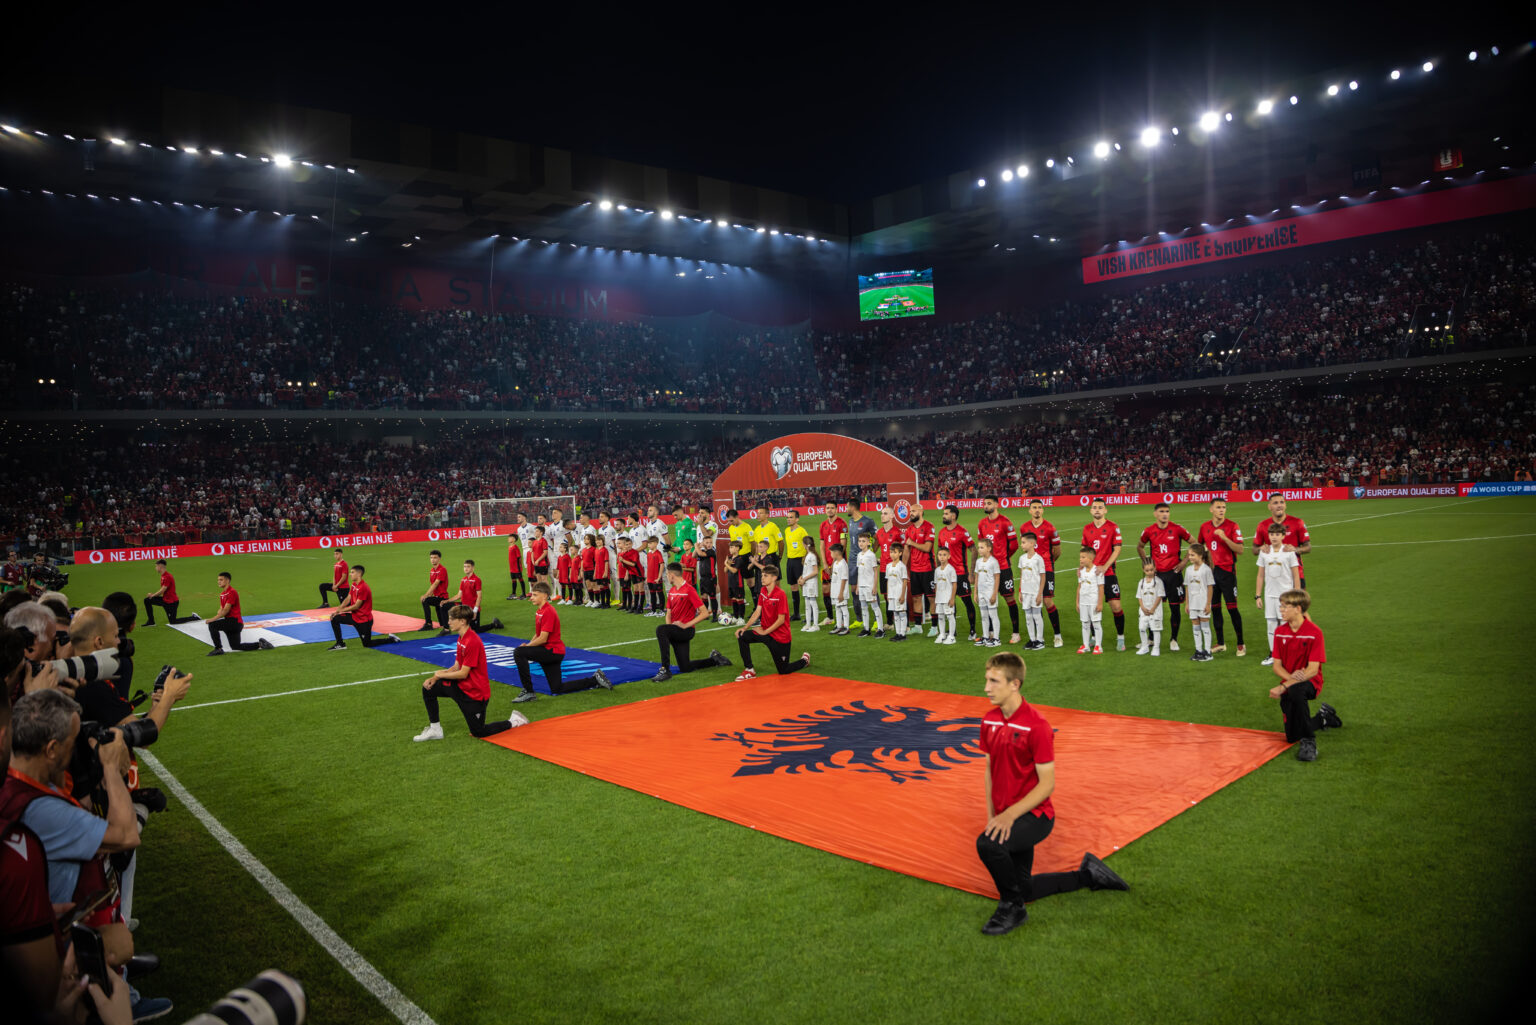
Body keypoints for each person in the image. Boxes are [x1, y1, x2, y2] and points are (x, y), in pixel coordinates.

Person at [974, 651, 1127, 936]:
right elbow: (989, 769)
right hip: (1008, 815)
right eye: (986, 680)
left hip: (1035, 816)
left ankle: (1012, 908)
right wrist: (992, 815)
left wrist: (1008, 816)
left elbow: (1047, 785)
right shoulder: (989, 721)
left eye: (994, 681)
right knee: (1025, 887)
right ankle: (1089, 875)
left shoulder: (1037, 726)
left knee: (988, 845)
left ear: (1014, 684)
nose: (986, 688)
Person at [412, 605, 527, 741]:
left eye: (451, 619)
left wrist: (440, 675)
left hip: (475, 694)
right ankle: (435, 729)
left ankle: (514, 721)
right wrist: (434, 678)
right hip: (461, 687)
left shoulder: (472, 641)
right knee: (428, 688)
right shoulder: (462, 638)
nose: (448, 622)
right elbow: (457, 666)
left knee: (479, 731)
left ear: (462, 621)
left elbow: (463, 673)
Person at [1268, 589, 1341, 762]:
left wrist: (1284, 686)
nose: (1281, 610)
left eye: (1285, 607)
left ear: (1298, 609)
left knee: (1296, 691)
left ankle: (1309, 742)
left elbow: (1313, 670)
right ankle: (1323, 718)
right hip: (1291, 681)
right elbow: (1276, 666)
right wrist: (1289, 679)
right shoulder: (1279, 632)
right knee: (1292, 736)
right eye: (1281, 606)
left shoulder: (1315, 632)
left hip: (1311, 682)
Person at [510, 583, 612, 702]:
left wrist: (527, 647)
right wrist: (528, 645)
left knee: (519, 652)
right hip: (551, 652)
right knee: (557, 688)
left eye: (535, 595)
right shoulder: (540, 611)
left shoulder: (548, 611)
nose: (531, 597)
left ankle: (528, 691)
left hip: (552, 652)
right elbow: (538, 634)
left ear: (544, 596)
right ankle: (595, 680)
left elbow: (543, 639)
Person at [652, 564, 732, 682]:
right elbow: (668, 613)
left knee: (660, 629)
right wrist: (670, 628)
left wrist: (685, 625)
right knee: (685, 667)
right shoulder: (672, 591)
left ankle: (665, 670)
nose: (666, 577)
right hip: (675, 630)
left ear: (671, 575)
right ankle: (715, 659)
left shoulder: (689, 590)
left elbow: (704, 613)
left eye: (667, 574)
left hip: (686, 631)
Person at [733, 564, 810, 680]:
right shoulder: (763, 590)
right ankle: (749, 670)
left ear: (774, 578)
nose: (762, 578)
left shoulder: (780, 595)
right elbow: (757, 612)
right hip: (766, 632)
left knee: (783, 670)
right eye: (762, 575)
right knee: (742, 636)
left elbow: (781, 620)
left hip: (780, 637)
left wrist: (764, 632)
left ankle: (804, 661)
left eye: (765, 576)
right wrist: (744, 628)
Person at [1136, 503, 1191, 651]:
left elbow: (1194, 543)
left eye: (1167, 511)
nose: (1165, 514)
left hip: (1174, 574)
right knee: (1151, 606)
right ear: (1155, 514)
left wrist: (1184, 562)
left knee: (1174, 608)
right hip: (1157, 575)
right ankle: (1151, 639)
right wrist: (1147, 563)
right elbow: (1140, 546)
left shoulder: (1177, 528)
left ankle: (1174, 639)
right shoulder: (1149, 531)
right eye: (1161, 511)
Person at [1197, 498, 1247, 657]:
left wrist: (1225, 537)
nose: (1221, 510)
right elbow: (1200, 548)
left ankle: (1240, 644)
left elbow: (1240, 549)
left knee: (1232, 609)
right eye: (1218, 507)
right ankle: (1220, 643)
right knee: (1215, 608)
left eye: (1224, 507)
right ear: (1211, 509)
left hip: (1227, 573)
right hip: (1211, 574)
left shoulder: (1233, 526)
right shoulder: (1204, 527)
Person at [1082, 498, 1126, 651]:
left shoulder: (1113, 527)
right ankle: (1094, 637)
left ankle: (1120, 638)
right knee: (1092, 607)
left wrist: (1105, 566)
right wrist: (1082, 568)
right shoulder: (1087, 529)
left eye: (1100, 507)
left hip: (1108, 572)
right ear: (1091, 510)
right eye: (1095, 507)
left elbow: (1117, 549)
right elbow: (1085, 552)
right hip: (1091, 574)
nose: (1097, 510)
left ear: (1105, 510)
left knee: (1116, 605)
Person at [976, 497, 1022, 644]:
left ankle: (1016, 633)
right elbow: (981, 545)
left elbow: (1014, 545)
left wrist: (1002, 557)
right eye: (985, 503)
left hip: (1003, 567)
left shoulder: (1005, 522)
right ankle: (989, 632)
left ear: (996, 504)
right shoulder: (982, 523)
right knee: (987, 598)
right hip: (987, 570)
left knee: (1009, 598)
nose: (986, 505)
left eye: (989, 503)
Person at [1255, 524, 1302, 666]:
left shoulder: (1289, 552)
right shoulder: (1264, 552)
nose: (1274, 537)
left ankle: (1286, 655)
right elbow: (1260, 575)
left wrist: (1297, 596)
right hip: (1269, 595)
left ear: (1283, 535)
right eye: (1271, 534)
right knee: (1271, 625)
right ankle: (1273, 654)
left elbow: (1296, 576)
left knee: (1284, 625)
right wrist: (1258, 595)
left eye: (1277, 534)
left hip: (1285, 596)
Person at [326, 565, 400, 650]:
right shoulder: (354, 584)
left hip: (364, 621)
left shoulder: (363, 588)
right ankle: (340, 644)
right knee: (334, 618)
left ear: (359, 574)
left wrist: (342, 610)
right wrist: (338, 610)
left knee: (367, 644)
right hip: (354, 617)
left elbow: (356, 606)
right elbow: (348, 598)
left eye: (352, 572)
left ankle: (391, 639)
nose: (350, 574)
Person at [1023, 499, 1064, 647]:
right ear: (1030, 510)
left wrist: (1046, 563)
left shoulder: (1050, 528)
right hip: (1030, 571)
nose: (1037, 510)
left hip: (1046, 569)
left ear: (1043, 510)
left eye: (1039, 507)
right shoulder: (1024, 528)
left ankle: (1057, 635)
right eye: (1034, 507)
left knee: (1047, 601)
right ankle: (1038, 638)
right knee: (1035, 603)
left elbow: (1057, 551)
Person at [206, 572, 275, 656]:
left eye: (221, 580)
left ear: (227, 580)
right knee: (235, 646)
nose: (218, 582)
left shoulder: (232, 592)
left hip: (234, 622)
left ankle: (218, 649)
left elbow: (225, 611)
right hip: (233, 623)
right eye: (218, 580)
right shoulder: (222, 594)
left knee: (212, 625)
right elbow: (221, 609)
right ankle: (260, 644)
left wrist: (212, 619)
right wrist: (220, 611)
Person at [1253, 494, 1313, 589]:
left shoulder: (1297, 522)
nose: (1279, 505)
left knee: (1298, 603)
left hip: (1295, 572)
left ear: (1285, 505)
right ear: (1269, 506)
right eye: (1275, 503)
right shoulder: (1262, 525)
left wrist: (1295, 549)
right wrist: (1261, 548)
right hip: (1273, 575)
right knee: (1277, 603)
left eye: (1282, 502)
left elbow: (1308, 547)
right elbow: (1254, 550)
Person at [937, 505, 978, 642]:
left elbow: (974, 550)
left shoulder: (962, 532)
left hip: (960, 573)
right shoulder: (941, 532)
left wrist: (971, 572)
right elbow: (939, 553)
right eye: (943, 513)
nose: (943, 516)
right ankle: (952, 631)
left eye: (946, 514)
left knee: (967, 601)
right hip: (946, 574)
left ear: (953, 516)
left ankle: (973, 630)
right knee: (949, 602)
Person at [904, 506, 937, 635]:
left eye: (914, 511)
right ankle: (918, 626)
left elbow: (927, 547)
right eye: (910, 511)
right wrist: (903, 566)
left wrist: (912, 543)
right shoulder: (909, 529)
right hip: (914, 569)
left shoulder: (929, 527)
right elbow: (907, 550)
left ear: (921, 512)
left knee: (931, 598)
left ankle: (934, 627)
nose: (911, 513)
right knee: (916, 598)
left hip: (928, 568)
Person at [446, 559, 502, 633]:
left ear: (473, 568)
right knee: (466, 629)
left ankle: (494, 624)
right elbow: (459, 595)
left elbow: (479, 596)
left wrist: (475, 611)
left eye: (468, 566)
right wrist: (447, 601)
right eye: (464, 566)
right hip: (465, 610)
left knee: (475, 630)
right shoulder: (463, 580)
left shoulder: (477, 580)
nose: (466, 568)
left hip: (473, 609)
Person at [141, 559, 198, 626]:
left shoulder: (167, 577)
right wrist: (152, 596)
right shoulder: (163, 576)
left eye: (156, 566)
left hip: (171, 603)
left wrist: (152, 595)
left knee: (173, 622)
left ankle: (194, 617)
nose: (155, 568)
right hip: (165, 600)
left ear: (160, 567)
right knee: (147, 600)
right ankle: (151, 621)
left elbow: (162, 590)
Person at [1183, 544, 1215, 662]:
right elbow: (1187, 587)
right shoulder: (1188, 570)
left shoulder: (1206, 570)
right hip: (1193, 603)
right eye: (1189, 555)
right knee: (1195, 626)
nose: (1190, 557)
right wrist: (1187, 603)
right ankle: (1198, 650)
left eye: (1192, 555)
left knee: (1205, 626)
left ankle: (1207, 652)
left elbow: (1210, 587)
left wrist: (1208, 604)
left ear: (1200, 556)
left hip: (1203, 603)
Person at [818, 505, 849, 625]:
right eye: (827, 508)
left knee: (838, 589)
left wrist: (837, 561)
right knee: (826, 589)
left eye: (832, 508)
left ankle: (841, 620)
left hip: (838, 563)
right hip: (827, 564)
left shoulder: (842, 524)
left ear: (836, 510)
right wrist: (825, 562)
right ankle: (830, 617)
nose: (829, 510)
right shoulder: (823, 525)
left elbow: (843, 544)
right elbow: (822, 545)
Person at [1016, 533, 1046, 650]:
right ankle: (1032, 639)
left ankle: (1040, 640)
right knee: (1028, 617)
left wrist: (1040, 594)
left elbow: (1043, 577)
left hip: (1035, 592)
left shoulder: (1038, 559)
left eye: (1023, 542)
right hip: (1025, 592)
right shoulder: (1022, 558)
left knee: (1037, 616)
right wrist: (1020, 591)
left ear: (1032, 543)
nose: (1021, 545)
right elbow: (1022, 575)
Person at [783, 509, 812, 621]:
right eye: (788, 517)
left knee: (803, 586)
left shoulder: (801, 531)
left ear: (797, 519)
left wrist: (805, 559)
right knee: (793, 586)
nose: (788, 519)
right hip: (790, 561)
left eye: (791, 517)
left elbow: (808, 546)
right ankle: (796, 614)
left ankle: (811, 613)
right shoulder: (786, 530)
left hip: (799, 561)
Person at [1075, 546, 1104, 654]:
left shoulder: (1097, 571)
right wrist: (1077, 602)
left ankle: (1098, 646)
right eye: (1080, 557)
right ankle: (1086, 645)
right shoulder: (1081, 572)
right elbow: (1079, 586)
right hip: (1083, 602)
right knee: (1085, 624)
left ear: (1090, 558)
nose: (1080, 559)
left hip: (1093, 601)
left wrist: (1100, 603)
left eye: (1083, 557)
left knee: (1096, 624)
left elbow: (1101, 588)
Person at [854, 533, 884, 638]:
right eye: (859, 541)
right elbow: (859, 571)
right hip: (861, 585)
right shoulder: (859, 555)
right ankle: (866, 629)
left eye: (863, 541)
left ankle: (880, 629)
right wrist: (857, 586)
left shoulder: (871, 555)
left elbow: (875, 571)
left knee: (874, 607)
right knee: (863, 607)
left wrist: (874, 586)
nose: (861, 543)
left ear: (868, 542)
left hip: (869, 585)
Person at [1134, 559, 1165, 656]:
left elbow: (1160, 596)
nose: (1150, 572)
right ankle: (1144, 647)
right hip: (1144, 611)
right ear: (1143, 570)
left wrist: (1153, 609)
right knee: (1142, 628)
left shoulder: (1158, 582)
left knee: (1155, 629)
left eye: (1151, 569)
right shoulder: (1141, 582)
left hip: (1155, 611)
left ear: (1155, 569)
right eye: (1147, 570)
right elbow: (1139, 596)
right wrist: (1142, 607)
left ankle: (1156, 648)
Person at [974, 537, 1000, 648]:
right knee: (983, 616)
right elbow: (977, 577)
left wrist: (994, 594)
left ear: (989, 548)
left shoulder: (993, 562)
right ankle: (985, 636)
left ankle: (996, 639)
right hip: (981, 593)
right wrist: (975, 593)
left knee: (993, 615)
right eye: (979, 547)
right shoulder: (978, 562)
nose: (979, 550)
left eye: (982, 547)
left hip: (990, 593)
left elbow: (997, 578)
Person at [420, 549, 452, 632]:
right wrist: (430, 594)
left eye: (435, 557)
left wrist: (426, 595)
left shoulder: (442, 569)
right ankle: (441, 624)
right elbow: (432, 584)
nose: (433, 559)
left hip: (442, 598)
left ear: (439, 559)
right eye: (431, 558)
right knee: (442, 624)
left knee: (425, 600)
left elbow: (436, 584)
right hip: (436, 596)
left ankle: (428, 624)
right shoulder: (432, 570)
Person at [932, 545, 958, 645]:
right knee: (941, 616)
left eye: (944, 555)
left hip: (948, 598)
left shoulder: (951, 569)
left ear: (949, 556)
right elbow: (936, 584)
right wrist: (936, 598)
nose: (942, 557)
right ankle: (942, 634)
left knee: (950, 616)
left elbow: (954, 584)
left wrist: (952, 598)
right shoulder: (937, 570)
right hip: (939, 598)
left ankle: (951, 636)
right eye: (940, 555)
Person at [884, 541, 909, 641]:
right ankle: (898, 633)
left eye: (894, 552)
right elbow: (888, 580)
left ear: (900, 553)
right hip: (892, 593)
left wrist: (903, 595)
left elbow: (904, 581)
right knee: (895, 613)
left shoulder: (902, 566)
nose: (892, 554)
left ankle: (903, 634)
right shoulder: (888, 566)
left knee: (901, 612)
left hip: (899, 593)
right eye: (891, 552)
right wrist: (888, 594)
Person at [798, 543, 821, 632]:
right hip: (806, 583)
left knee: (812, 602)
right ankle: (808, 624)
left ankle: (815, 625)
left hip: (811, 583)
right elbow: (807, 570)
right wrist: (801, 578)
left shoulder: (812, 556)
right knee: (807, 603)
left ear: (805, 545)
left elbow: (815, 571)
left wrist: (804, 579)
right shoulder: (808, 555)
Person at [724, 539, 748, 622]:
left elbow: (734, 570)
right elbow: (725, 571)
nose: (730, 549)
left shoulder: (739, 559)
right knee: (733, 600)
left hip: (738, 583)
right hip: (731, 583)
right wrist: (727, 564)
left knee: (739, 600)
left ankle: (741, 618)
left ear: (737, 548)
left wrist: (726, 564)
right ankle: (735, 616)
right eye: (730, 547)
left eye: (732, 547)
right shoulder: (730, 558)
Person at [505, 533, 526, 600]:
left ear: (514, 539)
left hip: (517, 568)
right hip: (512, 568)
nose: (508, 538)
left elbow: (519, 557)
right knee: (513, 580)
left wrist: (520, 566)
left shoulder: (515, 547)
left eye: (510, 537)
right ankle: (513, 594)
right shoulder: (509, 547)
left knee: (520, 580)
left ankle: (524, 594)